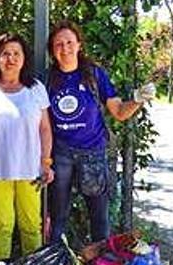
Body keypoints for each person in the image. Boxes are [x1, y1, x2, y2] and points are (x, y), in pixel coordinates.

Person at [46, 19, 155, 243]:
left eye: (69, 42)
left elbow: (119, 112)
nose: (64, 48)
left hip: (93, 153)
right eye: (58, 44)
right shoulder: (48, 80)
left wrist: (137, 100)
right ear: (52, 51)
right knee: (57, 217)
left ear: (79, 45)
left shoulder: (94, 75)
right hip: (60, 154)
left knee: (99, 218)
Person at [0, 33, 54, 261]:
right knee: (1, 226)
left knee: (32, 226)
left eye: (16, 53)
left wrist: (46, 162)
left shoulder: (35, 89)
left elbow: (45, 128)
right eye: (5, 54)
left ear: (24, 59)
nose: (11, 59)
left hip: (30, 168)